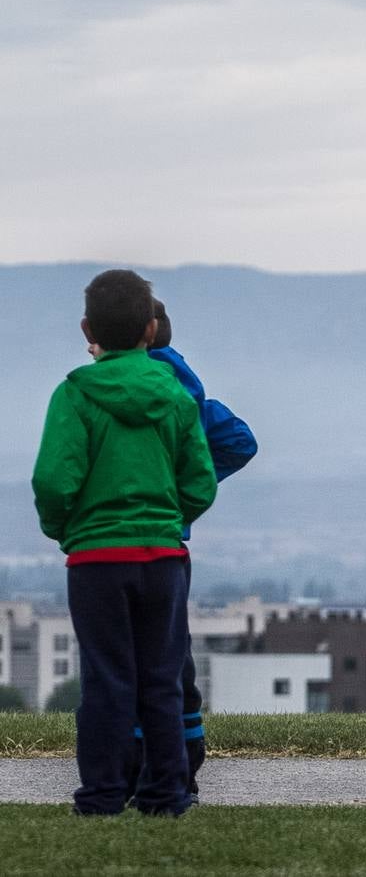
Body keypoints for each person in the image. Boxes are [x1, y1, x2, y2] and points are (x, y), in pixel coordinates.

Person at [32, 269, 217, 816]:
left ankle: (103, 793)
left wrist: (66, 529)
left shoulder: (74, 395)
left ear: (87, 327)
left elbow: (52, 480)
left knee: (106, 677)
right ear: (151, 327)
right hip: (163, 556)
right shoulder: (175, 397)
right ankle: (166, 793)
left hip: (95, 559)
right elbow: (200, 480)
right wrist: (169, 518)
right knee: (161, 678)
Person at [120, 298, 258, 804]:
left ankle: (142, 771)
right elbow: (240, 441)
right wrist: (185, 499)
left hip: (123, 541)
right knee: (171, 658)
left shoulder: (126, 387)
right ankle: (183, 769)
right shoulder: (187, 387)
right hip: (172, 544)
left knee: (129, 660)